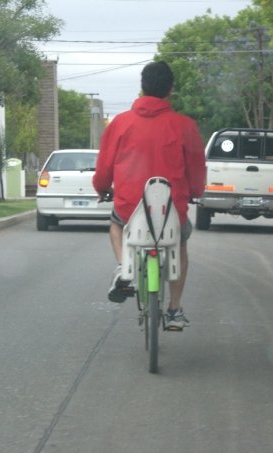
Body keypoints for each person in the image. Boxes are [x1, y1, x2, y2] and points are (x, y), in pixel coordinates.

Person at [93, 61, 206, 330]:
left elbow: (104, 168)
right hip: (170, 212)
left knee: (116, 226)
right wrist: (194, 192)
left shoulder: (120, 124)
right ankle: (175, 309)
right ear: (171, 90)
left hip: (130, 207)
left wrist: (102, 189)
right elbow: (196, 169)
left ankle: (123, 266)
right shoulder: (185, 126)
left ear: (142, 88)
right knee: (180, 243)